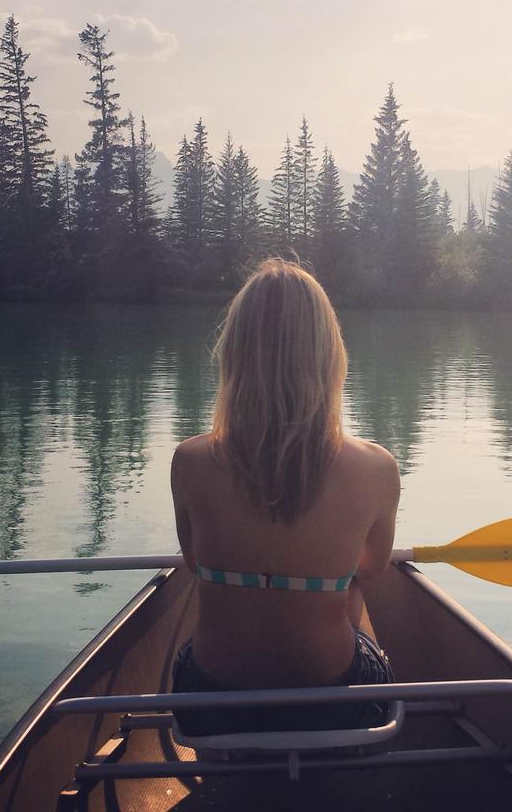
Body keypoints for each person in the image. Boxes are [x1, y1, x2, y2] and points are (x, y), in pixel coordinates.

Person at [170, 258, 401, 735]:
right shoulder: (376, 467)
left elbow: (194, 562)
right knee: (350, 586)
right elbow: (370, 568)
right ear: (329, 354)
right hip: (333, 701)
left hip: (211, 699)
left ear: (235, 352)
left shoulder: (190, 460)